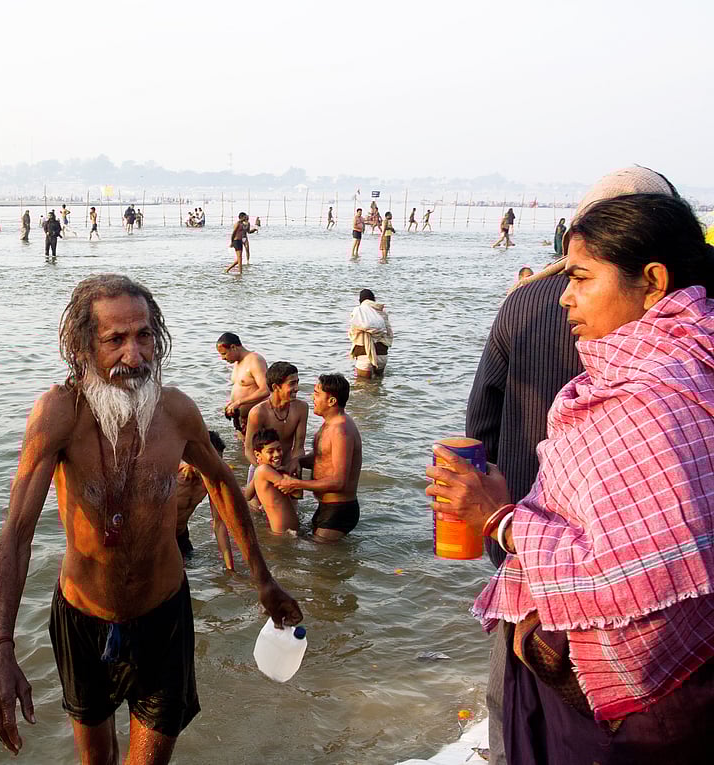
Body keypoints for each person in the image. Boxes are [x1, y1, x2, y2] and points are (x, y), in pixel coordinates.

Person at [429, 191, 714, 764]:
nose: (564, 296)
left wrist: (502, 521)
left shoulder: (645, 400)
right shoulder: (693, 366)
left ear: (652, 280)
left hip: (619, 713)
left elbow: (630, 572)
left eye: (582, 277)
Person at [0, 274, 302, 762]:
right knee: (97, 760)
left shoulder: (175, 412)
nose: (135, 356)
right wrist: (0, 647)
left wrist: (264, 581)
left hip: (163, 614)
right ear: (84, 346)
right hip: (81, 617)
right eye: (115, 340)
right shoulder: (58, 415)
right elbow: (17, 532)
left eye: (144, 335)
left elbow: (223, 486)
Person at [276, 374, 362, 542]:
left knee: (321, 561)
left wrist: (296, 484)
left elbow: (339, 481)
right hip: (327, 507)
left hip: (340, 510)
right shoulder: (329, 424)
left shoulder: (341, 430)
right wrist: (296, 462)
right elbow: (322, 458)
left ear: (331, 401)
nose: (312, 397)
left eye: (316, 393)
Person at [243, 362, 308, 492]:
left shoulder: (302, 408)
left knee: (291, 510)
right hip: (261, 468)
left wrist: (294, 463)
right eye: (292, 384)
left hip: (288, 467)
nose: (297, 388)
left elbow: (299, 446)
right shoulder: (259, 413)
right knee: (254, 509)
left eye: (297, 382)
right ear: (276, 387)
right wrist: (267, 471)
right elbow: (249, 449)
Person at [174, 430, 235, 569]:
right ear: (195, 458)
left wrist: (230, 568)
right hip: (161, 538)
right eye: (210, 462)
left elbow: (219, 524)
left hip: (182, 535)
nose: (214, 468)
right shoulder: (173, 476)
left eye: (218, 462)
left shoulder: (212, 481)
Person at [216, 332, 269, 438]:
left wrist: (239, 402)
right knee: (241, 452)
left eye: (224, 354)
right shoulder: (237, 363)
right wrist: (232, 403)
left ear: (233, 347)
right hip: (241, 420)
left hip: (256, 419)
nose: (222, 358)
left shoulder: (255, 360)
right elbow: (244, 388)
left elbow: (265, 390)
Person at [249, 428, 301, 533]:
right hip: (284, 534)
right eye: (271, 451)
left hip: (283, 532)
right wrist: (294, 475)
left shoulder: (260, 471)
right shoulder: (264, 470)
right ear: (258, 455)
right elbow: (298, 494)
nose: (277, 454)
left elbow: (247, 495)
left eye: (279, 449)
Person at [349, 289, 393, 378]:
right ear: (373, 299)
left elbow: (353, 331)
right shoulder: (382, 313)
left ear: (360, 301)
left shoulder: (359, 312)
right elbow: (389, 334)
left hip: (364, 354)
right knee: (378, 382)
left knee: (362, 385)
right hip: (382, 354)